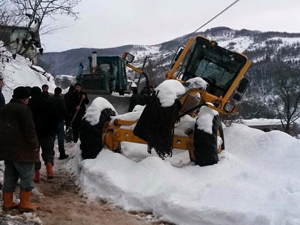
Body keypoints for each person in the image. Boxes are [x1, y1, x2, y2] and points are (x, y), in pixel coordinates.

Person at [0, 86, 39, 212]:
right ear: (25, 98)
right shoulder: (23, 109)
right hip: (22, 150)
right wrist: (34, 145)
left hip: (7, 149)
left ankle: (8, 203)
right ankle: (25, 203)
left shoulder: (5, 108)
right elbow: (29, 130)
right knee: (27, 175)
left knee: (10, 175)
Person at [28, 86, 59, 181]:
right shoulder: (48, 103)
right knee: (49, 151)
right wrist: (54, 130)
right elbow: (55, 117)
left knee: (34, 153)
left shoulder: (29, 104)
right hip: (48, 133)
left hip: (34, 133)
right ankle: (49, 170)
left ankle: (36, 175)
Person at [51, 87, 68, 159]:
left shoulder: (50, 99)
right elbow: (64, 110)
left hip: (51, 121)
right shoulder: (61, 100)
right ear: (60, 92)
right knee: (60, 138)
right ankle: (62, 153)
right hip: (60, 121)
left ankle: (51, 153)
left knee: (52, 138)